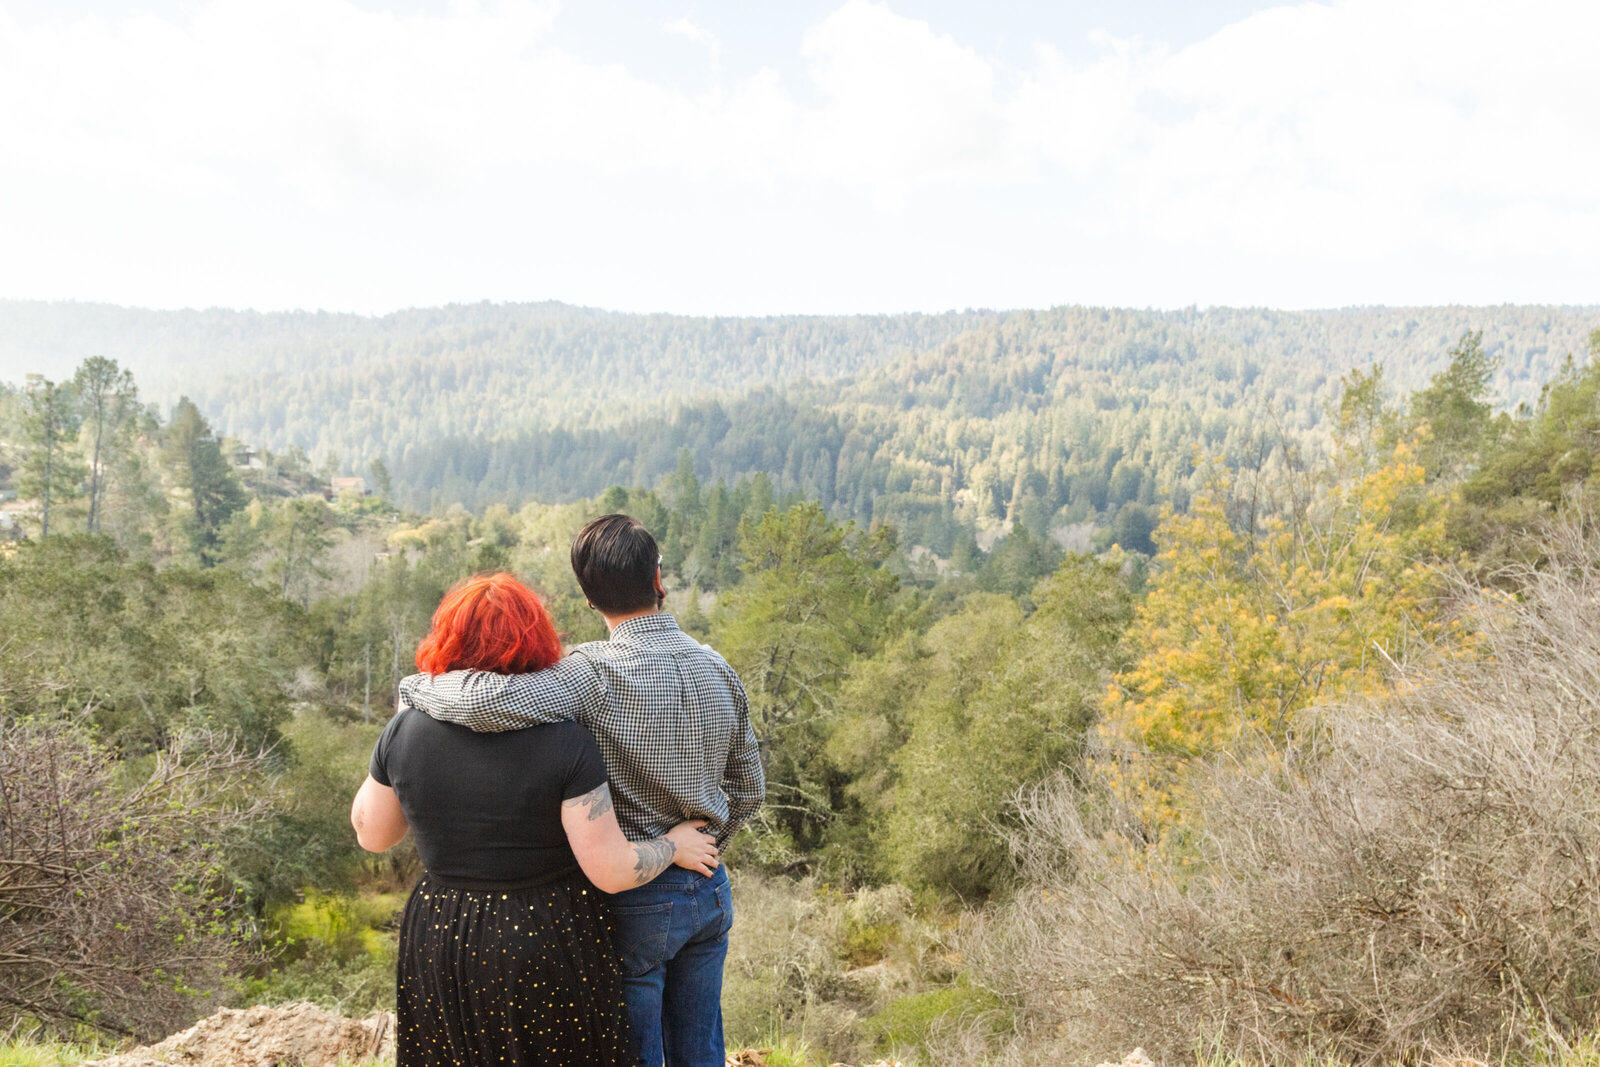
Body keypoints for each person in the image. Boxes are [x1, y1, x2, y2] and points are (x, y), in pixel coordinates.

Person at [398, 513, 765, 1067]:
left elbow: (487, 703)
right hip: (710, 888)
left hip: (632, 896)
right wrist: (708, 843)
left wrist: (414, 689)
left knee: (633, 1054)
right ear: (658, 578)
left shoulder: (590, 672)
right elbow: (749, 786)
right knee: (701, 1049)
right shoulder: (717, 666)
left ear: (588, 598)